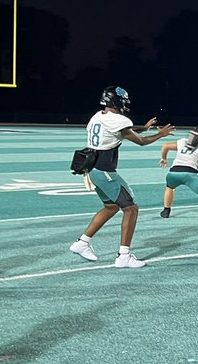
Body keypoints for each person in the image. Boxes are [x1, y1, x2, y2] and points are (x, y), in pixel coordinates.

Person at [69, 86, 175, 269]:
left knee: (110, 207)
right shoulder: (119, 119)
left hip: (92, 169)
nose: (125, 103)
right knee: (131, 208)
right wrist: (160, 134)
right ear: (116, 101)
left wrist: (144, 127)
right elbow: (139, 141)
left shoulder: (98, 115)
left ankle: (82, 243)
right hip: (104, 171)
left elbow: (124, 130)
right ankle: (123, 255)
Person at [158, 126, 198, 224]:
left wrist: (164, 158)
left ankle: (166, 210)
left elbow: (166, 146)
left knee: (170, 187)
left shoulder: (183, 141)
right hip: (190, 173)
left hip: (173, 172)